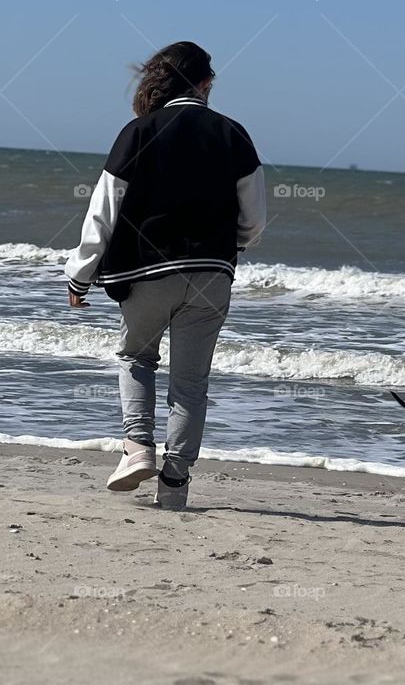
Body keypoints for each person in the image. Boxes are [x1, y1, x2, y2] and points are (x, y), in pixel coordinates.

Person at [64, 41, 266, 510]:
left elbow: (103, 211)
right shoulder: (234, 135)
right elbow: (254, 222)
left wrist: (80, 274)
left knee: (136, 357)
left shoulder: (138, 131)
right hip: (212, 275)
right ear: (205, 83)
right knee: (191, 382)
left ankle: (137, 448)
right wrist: (224, 249)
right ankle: (175, 483)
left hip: (146, 272)